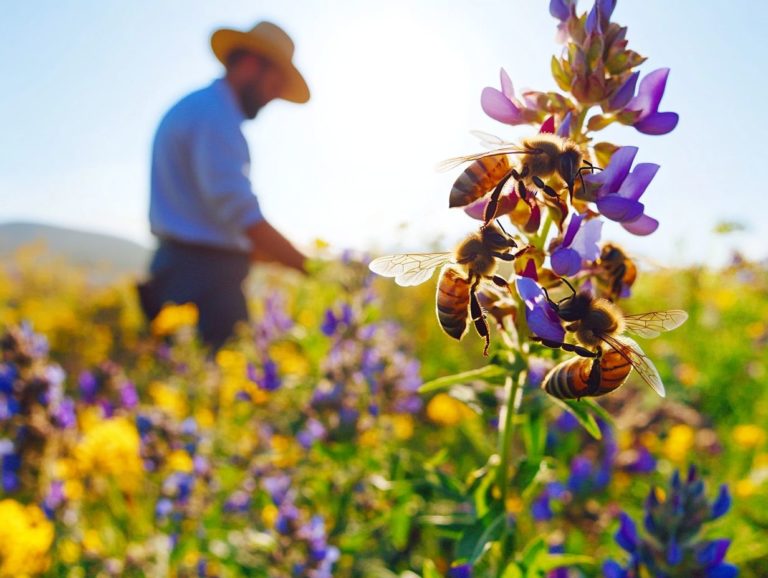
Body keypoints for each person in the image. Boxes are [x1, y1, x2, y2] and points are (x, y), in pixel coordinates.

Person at [137, 21, 310, 349]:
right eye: (275, 84)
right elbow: (240, 214)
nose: (274, 97)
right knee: (215, 381)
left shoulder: (200, 107)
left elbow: (218, 222)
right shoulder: (216, 117)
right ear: (251, 64)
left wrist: (275, 256)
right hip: (203, 283)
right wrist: (312, 268)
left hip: (182, 273)